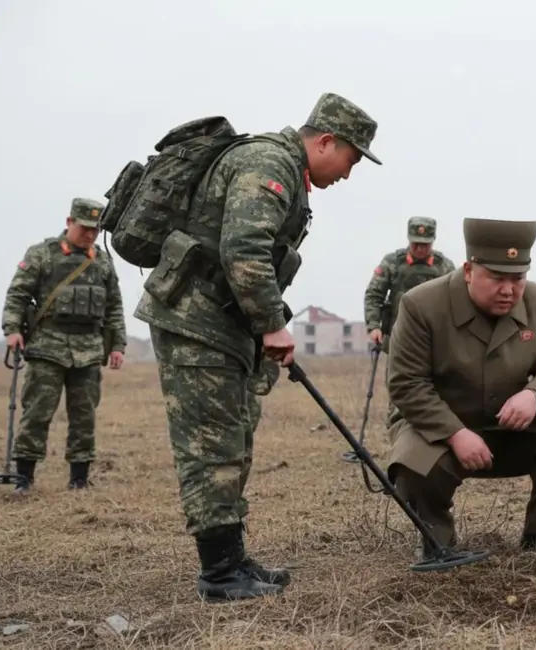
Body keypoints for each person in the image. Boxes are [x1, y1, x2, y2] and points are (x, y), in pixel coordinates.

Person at [133, 92, 382, 601]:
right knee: (213, 445)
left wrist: (261, 325)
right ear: (326, 141)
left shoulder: (287, 169)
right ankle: (221, 575)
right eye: (351, 159)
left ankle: (233, 559)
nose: (349, 174)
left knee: (235, 435)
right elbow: (243, 246)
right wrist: (272, 324)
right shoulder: (269, 161)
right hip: (196, 322)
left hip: (222, 324)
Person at [385, 217, 536, 560]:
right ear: (468, 270)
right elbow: (407, 383)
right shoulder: (421, 306)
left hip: (510, 427)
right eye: (497, 278)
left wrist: (534, 395)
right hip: (441, 429)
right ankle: (438, 543)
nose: (509, 290)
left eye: (518, 278)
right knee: (412, 460)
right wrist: (454, 433)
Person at [1, 198, 128, 494]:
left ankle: (79, 478)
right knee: (37, 413)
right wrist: (11, 330)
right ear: (69, 222)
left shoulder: (103, 261)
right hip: (47, 347)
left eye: (95, 230)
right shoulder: (42, 255)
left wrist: (118, 345)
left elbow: (114, 307)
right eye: (85, 228)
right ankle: (24, 476)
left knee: (84, 415)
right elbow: (17, 295)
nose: (90, 235)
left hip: (88, 350)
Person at [358, 216, 456, 456]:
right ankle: (400, 442)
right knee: (400, 390)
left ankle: (436, 439)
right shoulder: (392, 263)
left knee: (437, 390)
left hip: (435, 342)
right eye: (416, 244)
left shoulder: (445, 267)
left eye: (426, 244)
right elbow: (373, 294)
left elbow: (456, 301)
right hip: (398, 339)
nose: (421, 249)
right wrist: (374, 327)